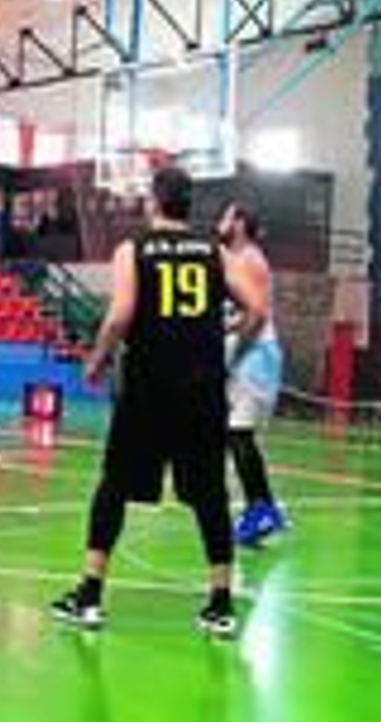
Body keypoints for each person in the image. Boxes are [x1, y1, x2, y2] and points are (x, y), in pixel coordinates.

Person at [50, 167, 268, 637]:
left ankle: (89, 595)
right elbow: (257, 310)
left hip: (148, 388)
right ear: (189, 206)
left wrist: (97, 358)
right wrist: (235, 353)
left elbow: (121, 315)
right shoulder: (215, 253)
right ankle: (221, 603)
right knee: (209, 493)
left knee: (114, 487)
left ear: (154, 201)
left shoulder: (135, 250)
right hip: (201, 390)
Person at [217, 201, 290, 547]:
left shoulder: (250, 259)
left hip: (255, 355)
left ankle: (262, 509)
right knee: (236, 438)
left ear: (240, 224)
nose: (221, 222)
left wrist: (234, 356)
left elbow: (257, 315)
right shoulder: (234, 258)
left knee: (240, 436)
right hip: (246, 353)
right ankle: (263, 507)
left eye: (226, 216)